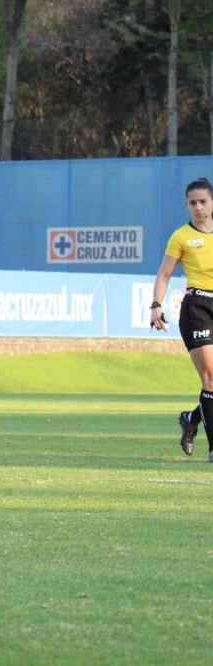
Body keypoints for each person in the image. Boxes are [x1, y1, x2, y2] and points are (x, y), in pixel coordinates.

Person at [151, 177, 213, 462]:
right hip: (197, 307)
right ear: (187, 205)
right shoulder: (181, 237)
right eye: (192, 203)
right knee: (210, 378)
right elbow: (164, 274)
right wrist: (155, 305)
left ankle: (190, 419)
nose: (198, 207)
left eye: (203, 201)